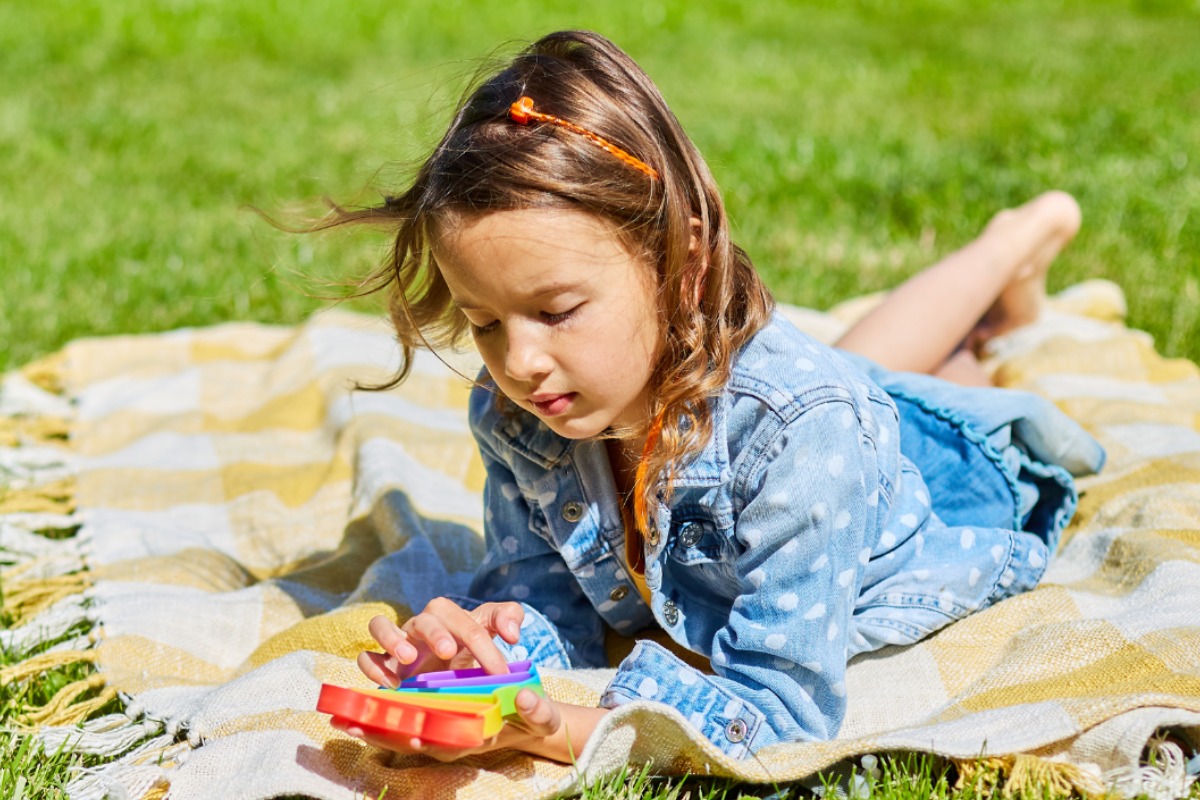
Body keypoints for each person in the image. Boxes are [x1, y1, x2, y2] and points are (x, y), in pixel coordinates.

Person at [316, 30, 1105, 763]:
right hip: (798, 409)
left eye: (556, 311)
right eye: (482, 321)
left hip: (936, 478)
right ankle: (1006, 263)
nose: (519, 362)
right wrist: (481, 655)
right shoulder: (518, 416)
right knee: (860, 363)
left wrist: (562, 733)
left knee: (926, 385)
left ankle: (1007, 247)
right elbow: (551, 613)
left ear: (681, 260)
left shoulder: (806, 431)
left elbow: (781, 711)